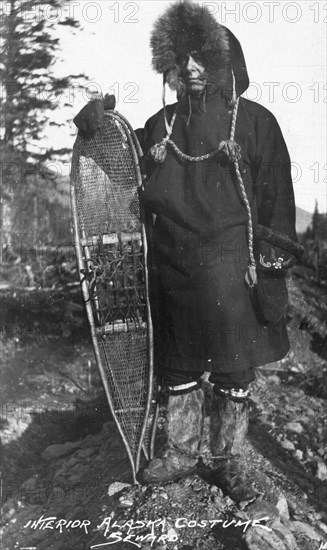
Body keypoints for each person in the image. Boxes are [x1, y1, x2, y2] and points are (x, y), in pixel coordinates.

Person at [74, 1, 302, 502]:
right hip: (174, 268)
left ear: (226, 62)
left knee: (233, 366)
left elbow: (276, 197)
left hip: (231, 270)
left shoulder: (257, 123)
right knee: (177, 366)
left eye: (202, 58)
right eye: (184, 60)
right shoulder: (161, 127)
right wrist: (93, 126)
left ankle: (226, 459)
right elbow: (120, 164)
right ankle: (179, 450)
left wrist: (266, 267)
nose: (192, 68)